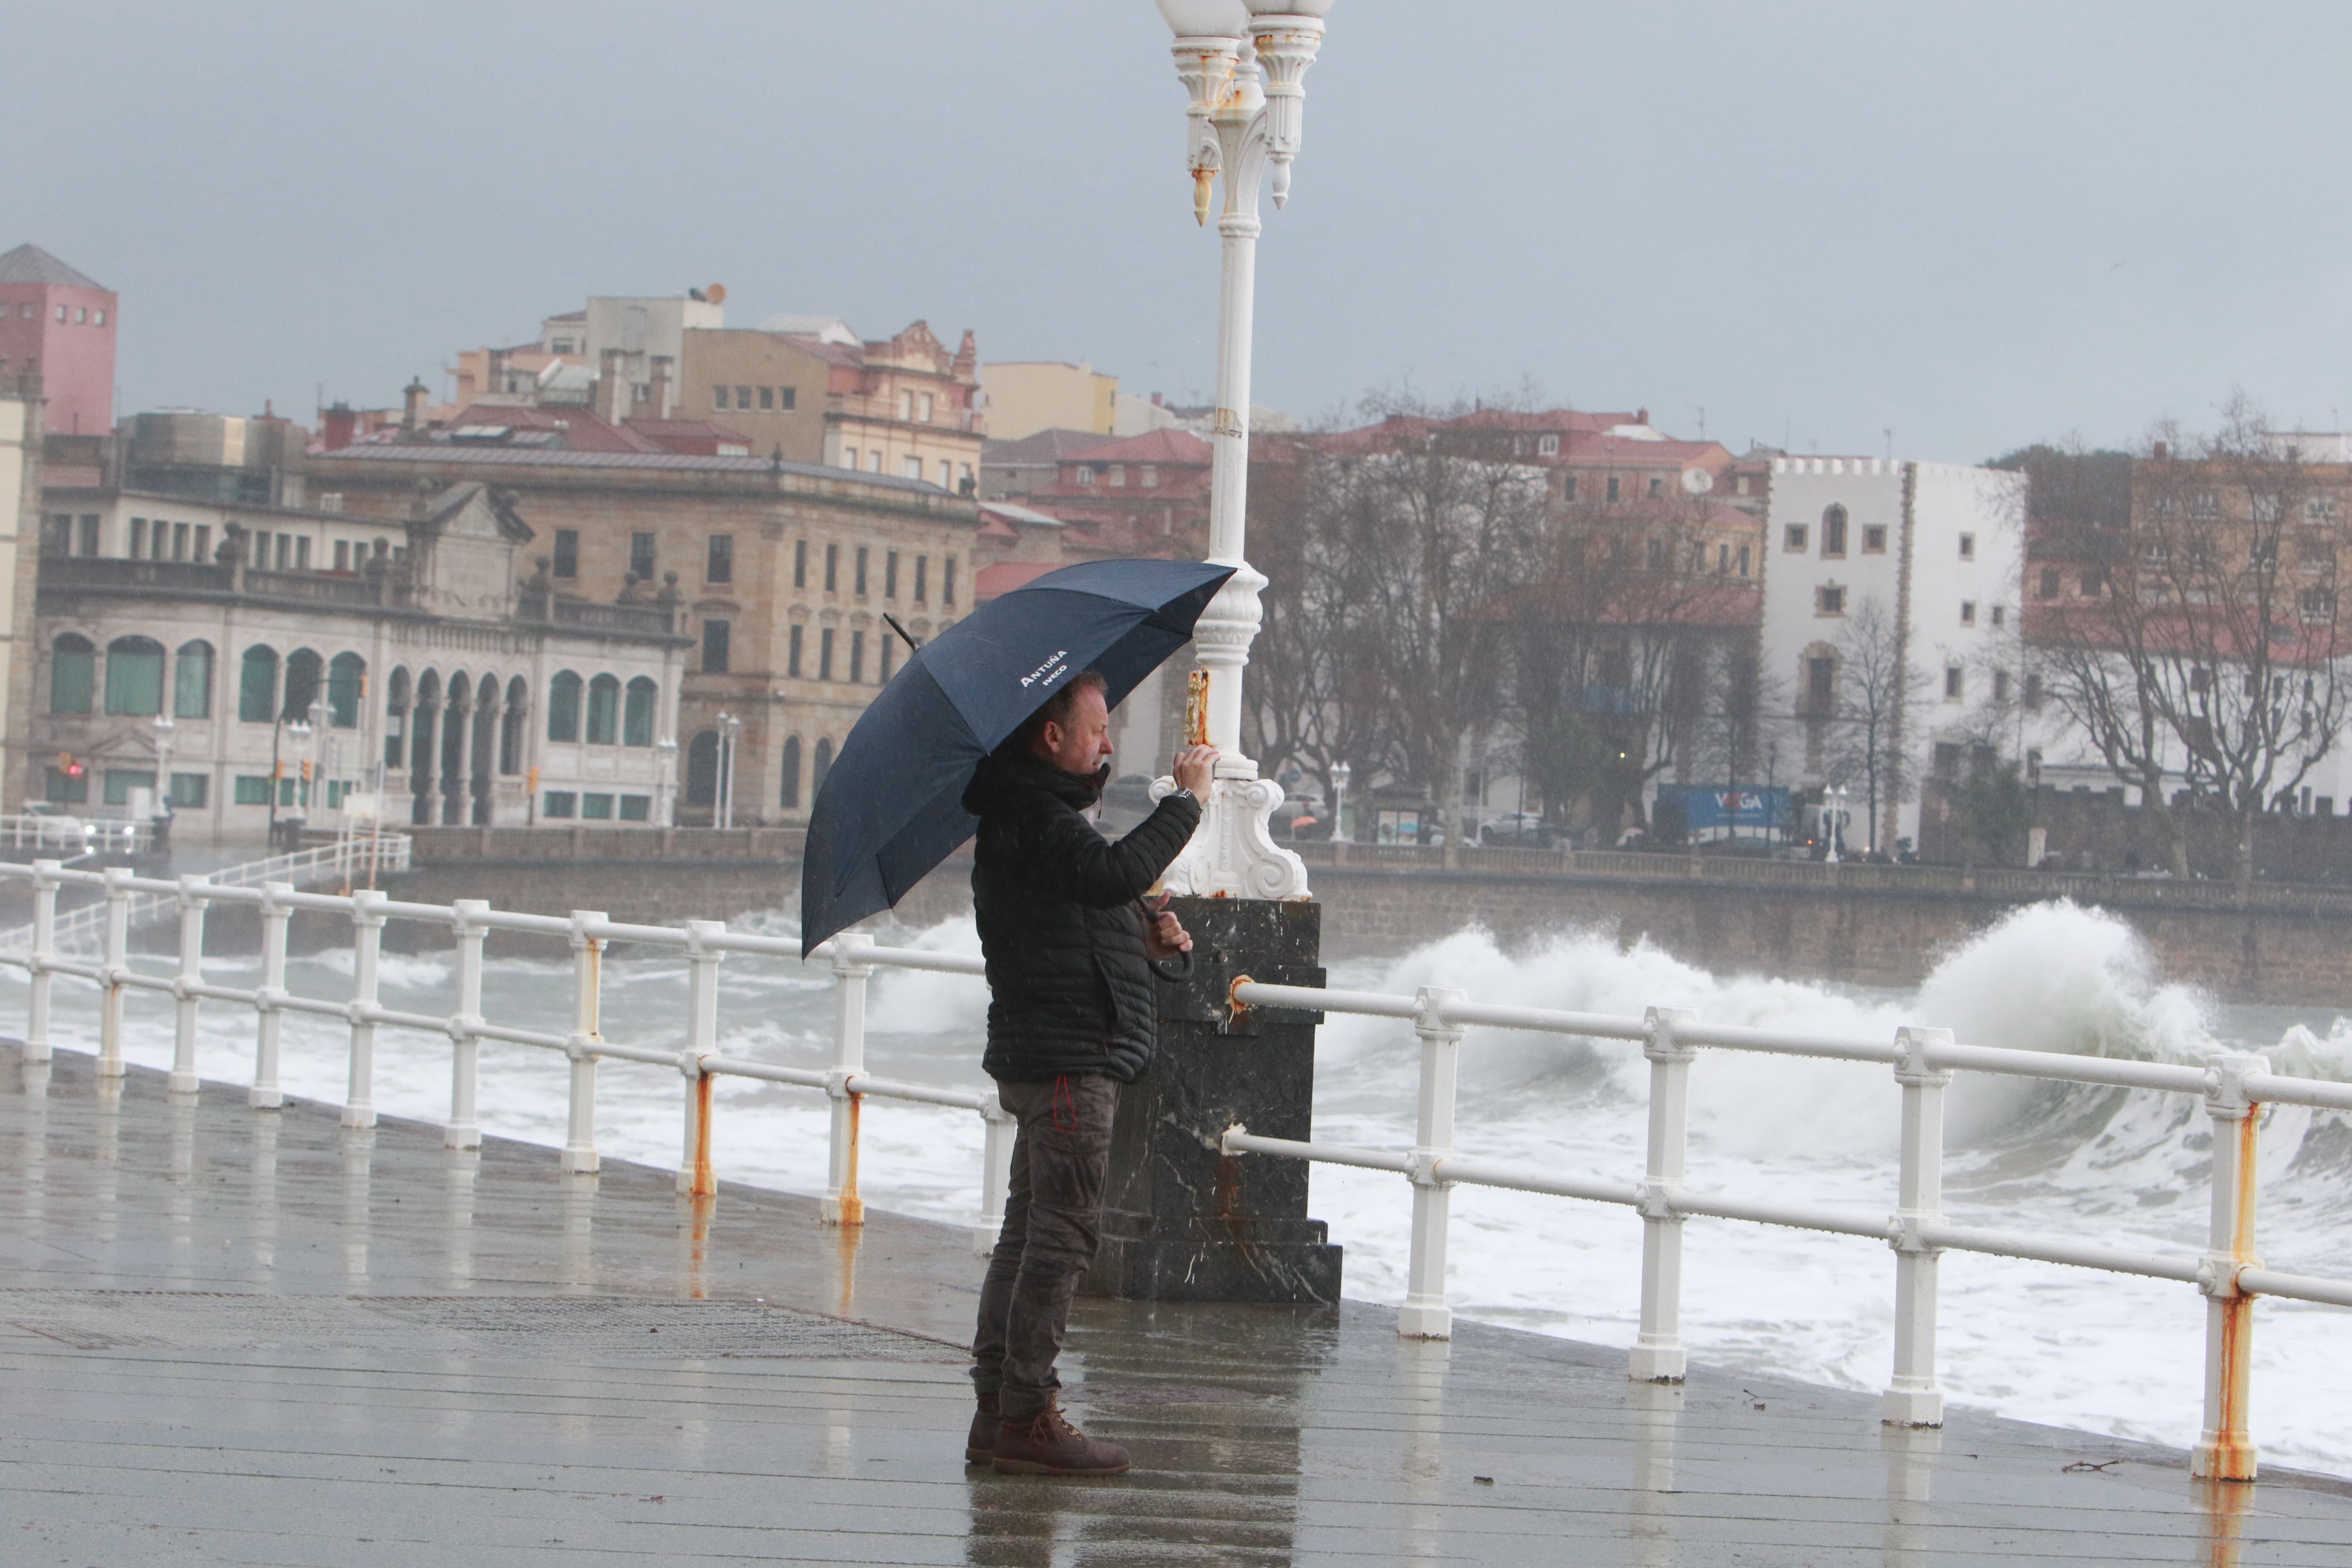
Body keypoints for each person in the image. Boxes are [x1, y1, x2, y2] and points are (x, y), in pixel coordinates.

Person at [959, 669, 1216, 1477]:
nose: (1108, 744)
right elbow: (1106, 877)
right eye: (1099, 729)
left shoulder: (1037, 819)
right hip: (1068, 1060)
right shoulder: (1033, 816)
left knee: (1029, 1232)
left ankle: (999, 1412)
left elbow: (1087, 911)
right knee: (1060, 1239)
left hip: (1056, 1050)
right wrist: (1188, 802)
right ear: (1052, 736)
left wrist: (1146, 941)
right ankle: (1028, 1417)